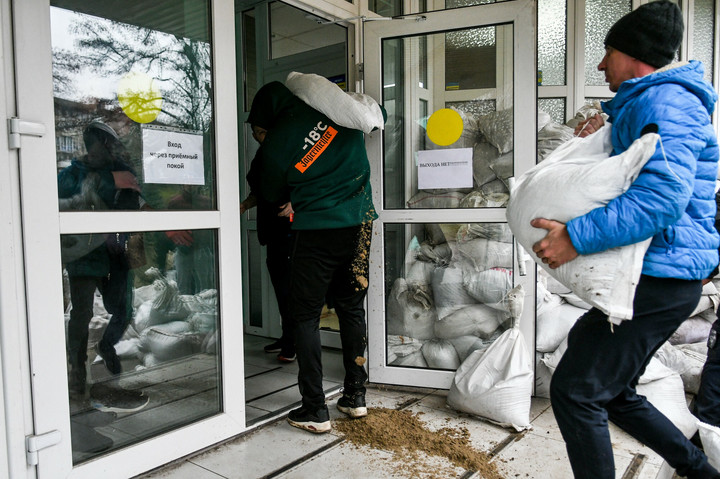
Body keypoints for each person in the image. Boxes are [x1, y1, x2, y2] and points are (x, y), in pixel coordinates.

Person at [530, 2, 720, 478]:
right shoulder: (650, 103)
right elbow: (633, 176)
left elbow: (661, 198)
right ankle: (698, 471)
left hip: (660, 275)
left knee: (576, 391)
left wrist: (576, 237)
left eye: (608, 51)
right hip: (658, 273)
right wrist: (602, 134)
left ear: (634, 55)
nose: (600, 64)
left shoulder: (666, 102)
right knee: (612, 390)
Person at [248, 81, 381, 433]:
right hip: (360, 226)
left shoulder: (277, 144)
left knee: (304, 315)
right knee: (351, 308)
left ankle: (314, 409)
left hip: (317, 231)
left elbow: (273, 194)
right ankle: (355, 396)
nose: (260, 134)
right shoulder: (337, 110)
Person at [58, 120, 144, 400]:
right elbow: (62, 197)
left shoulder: (123, 170)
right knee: (82, 314)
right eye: (91, 145)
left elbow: (135, 204)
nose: (95, 150)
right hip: (84, 255)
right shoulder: (73, 172)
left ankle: (106, 348)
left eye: (101, 145)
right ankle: (76, 372)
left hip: (116, 255)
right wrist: (109, 183)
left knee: (121, 310)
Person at [241, 145, 295, 363]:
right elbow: (259, 191)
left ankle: (293, 343)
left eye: (261, 132)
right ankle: (287, 338)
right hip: (272, 232)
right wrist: (245, 204)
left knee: (290, 291)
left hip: (292, 232)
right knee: (281, 289)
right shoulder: (263, 155)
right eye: (254, 132)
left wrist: (297, 202)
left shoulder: (289, 151)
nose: (256, 136)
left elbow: (313, 185)